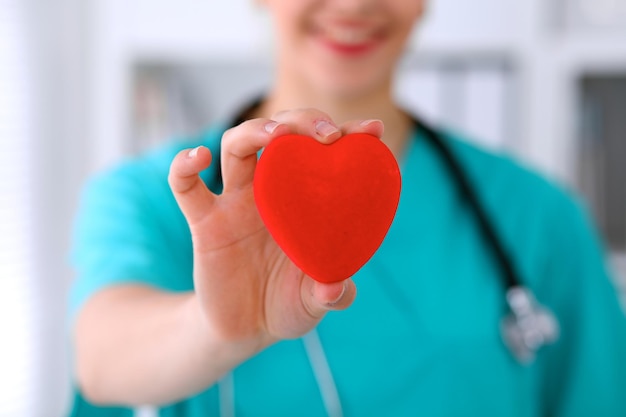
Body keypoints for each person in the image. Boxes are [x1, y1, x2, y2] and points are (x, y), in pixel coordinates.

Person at [67, 0, 626, 416]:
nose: (355, 4)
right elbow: (100, 358)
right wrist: (217, 330)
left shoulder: (539, 216)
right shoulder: (162, 195)